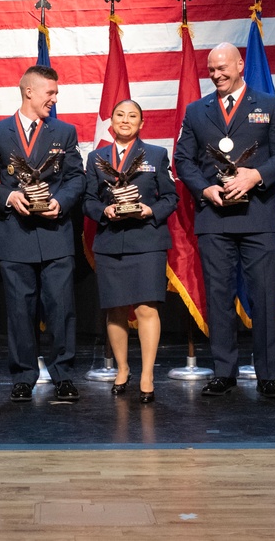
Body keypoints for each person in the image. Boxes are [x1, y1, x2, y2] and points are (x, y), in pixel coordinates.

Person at [173, 42, 275, 399]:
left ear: (240, 64)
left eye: (223, 68)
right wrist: (205, 190)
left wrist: (253, 177)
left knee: (264, 297)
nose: (217, 75)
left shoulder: (270, 105)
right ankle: (223, 371)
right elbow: (183, 160)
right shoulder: (197, 111)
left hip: (258, 215)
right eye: (212, 70)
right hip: (215, 217)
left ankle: (268, 375)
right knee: (219, 296)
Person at [0, 65, 84, 402]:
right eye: (50, 93)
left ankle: (63, 374)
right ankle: (23, 375)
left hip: (56, 233)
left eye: (55, 93)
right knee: (19, 310)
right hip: (15, 234)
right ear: (29, 91)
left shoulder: (64, 131)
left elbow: (77, 178)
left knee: (61, 309)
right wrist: (8, 196)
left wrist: (61, 201)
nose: (54, 99)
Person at [83, 99, 177, 404]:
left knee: (147, 308)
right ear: (111, 121)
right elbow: (87, 200)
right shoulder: (96, 157)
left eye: (132, 116)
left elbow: (171, 197)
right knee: (116, 309)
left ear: (142, 123)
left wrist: (150, 210)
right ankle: (123, 369)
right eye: (120, 115)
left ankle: (147, 374)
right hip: (111, 242)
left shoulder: (157, 155)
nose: (125, 120)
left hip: (147, 241)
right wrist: (104, 210)